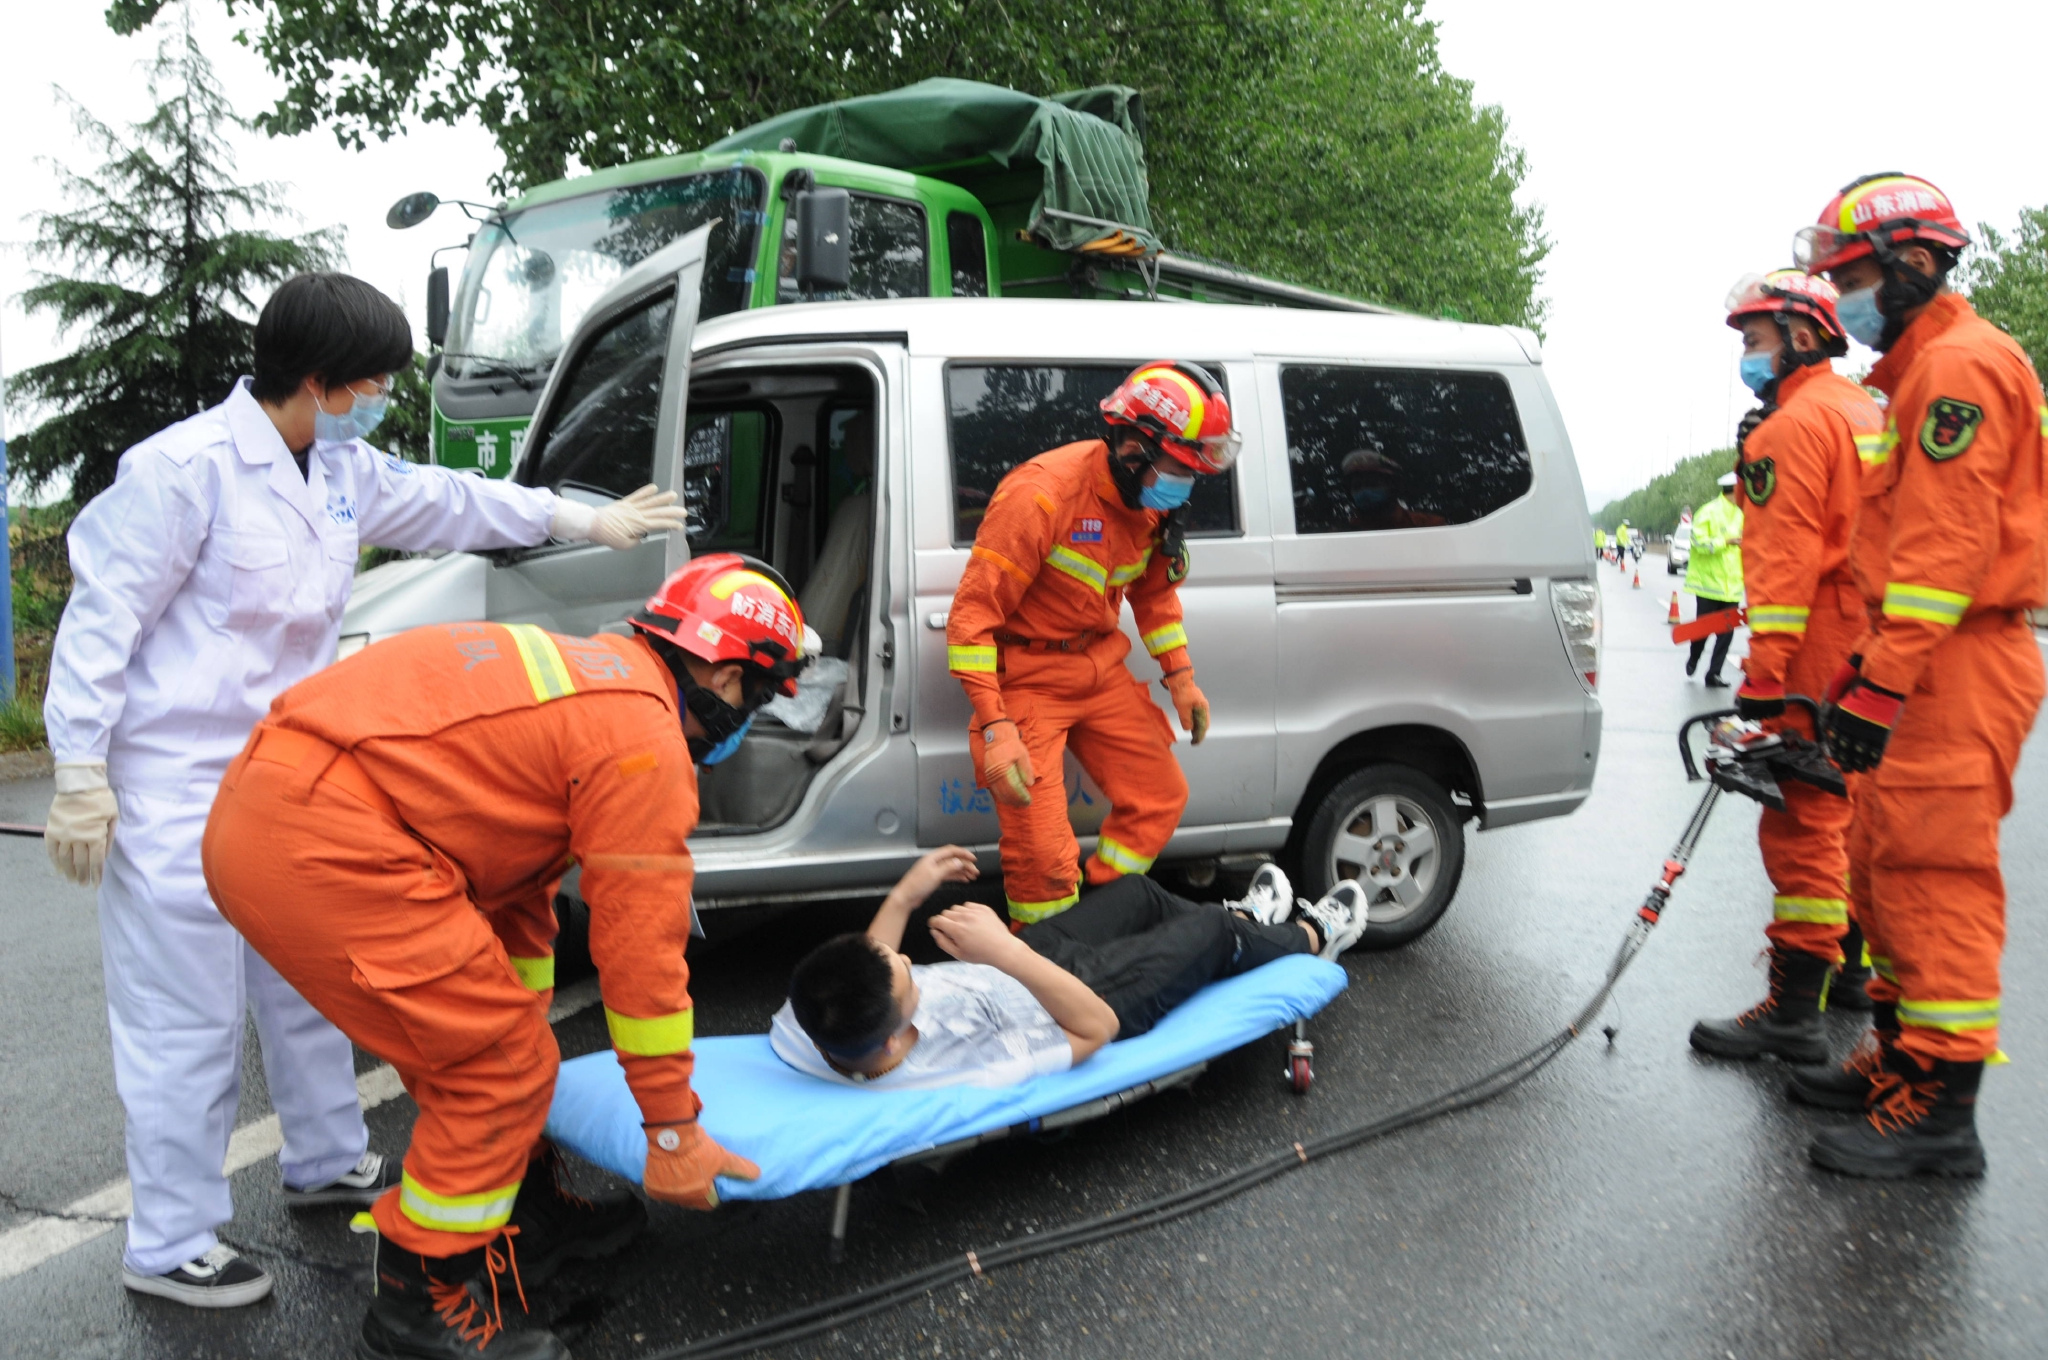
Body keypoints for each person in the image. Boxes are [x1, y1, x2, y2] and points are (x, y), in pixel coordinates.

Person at [37, 273, 689, 1309]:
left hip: (294, 771)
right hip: (172, 779)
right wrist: (79, 768)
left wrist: (577, 518)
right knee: (186, 1020)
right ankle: (168, 1241)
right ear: (319, 379)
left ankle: (324, 1157)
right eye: (376, 378)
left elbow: (449, 500)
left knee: (312, 982)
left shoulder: (335, 463)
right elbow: (102, 617)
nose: (385, 392)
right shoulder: (179, 472)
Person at [201, 554, 803, 1358]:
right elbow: (641, 953)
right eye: (759, 697)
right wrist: (671, 1131)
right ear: (727, 678)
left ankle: (520, 1214)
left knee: (502, 1046)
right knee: (498, 1070)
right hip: (328, 838)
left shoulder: (592, 679)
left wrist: (519, 1022)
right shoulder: (644, 741)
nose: (750, 715)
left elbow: (517, 888)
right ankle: (418, 1305)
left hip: (283, 811)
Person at [1787, 174, 2046, 1178]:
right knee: (1885, 869)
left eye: (1850, 275)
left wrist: (1881, 679)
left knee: (1933, 874)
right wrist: (1867, 673)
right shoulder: (1922, 372)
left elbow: (1942, 552)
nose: (1841, 296)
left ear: (1916, 262)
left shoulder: (1956, 371)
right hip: (1920, 663)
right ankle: (1901, 1058)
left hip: (1952, 664)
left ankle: (1940, 1106)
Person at [945, 361, 1239, 924]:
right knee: (1044, 862)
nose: (1187, 482)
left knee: (1159, 797)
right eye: (1181, 466)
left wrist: (1181, 678)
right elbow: (972, 617)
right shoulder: (1042, 495)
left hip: (1098, 669)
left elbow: (1154, 596)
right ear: (1133, 447)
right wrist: (995, 722)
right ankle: (1037, 971)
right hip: (1026, 681)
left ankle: (1100, 915)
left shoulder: (1152, 500)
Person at [1689, 271, 1883, 1065]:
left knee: (1802, 822)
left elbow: (1782, 570)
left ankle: (1793, 1013)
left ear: (1802, 337)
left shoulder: (1791, 430)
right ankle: (1850, 978)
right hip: (1867, 646)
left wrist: (1764, 685)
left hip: (1812, 651)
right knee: (1856, 813)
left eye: (1752, 340)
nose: (1745, 354)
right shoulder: (1861, 410)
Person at [773, 852, 1368, 1088]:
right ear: (898, 1038)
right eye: (910, 979)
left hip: (1010, 970)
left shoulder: (812, 1016)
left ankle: (1247, 932)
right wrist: (1006, 953)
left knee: (1138, 893)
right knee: (1208, 931)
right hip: (1070, 1000)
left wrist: (906, 895)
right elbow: (1094, 1028)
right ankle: (1311, 936)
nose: (906, 959)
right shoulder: (964, 1067)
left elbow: (874, 974)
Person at [1684, 474, 1744, 687]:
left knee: (1726, 632)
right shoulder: (1707, 512)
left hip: (1733, 586)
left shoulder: (1741, 515)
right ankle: (1694, 658)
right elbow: (1699, 543)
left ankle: (1714, 673)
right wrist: (1725, 541)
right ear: (1735, 489)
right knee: (1703, 629)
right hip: (1709, 585)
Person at [1337, 446, 1446, 530]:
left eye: (1373, 484)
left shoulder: (1429, 525)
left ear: (1393, 487)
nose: (1364, 491)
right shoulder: (1343, 535)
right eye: (1357, 487)